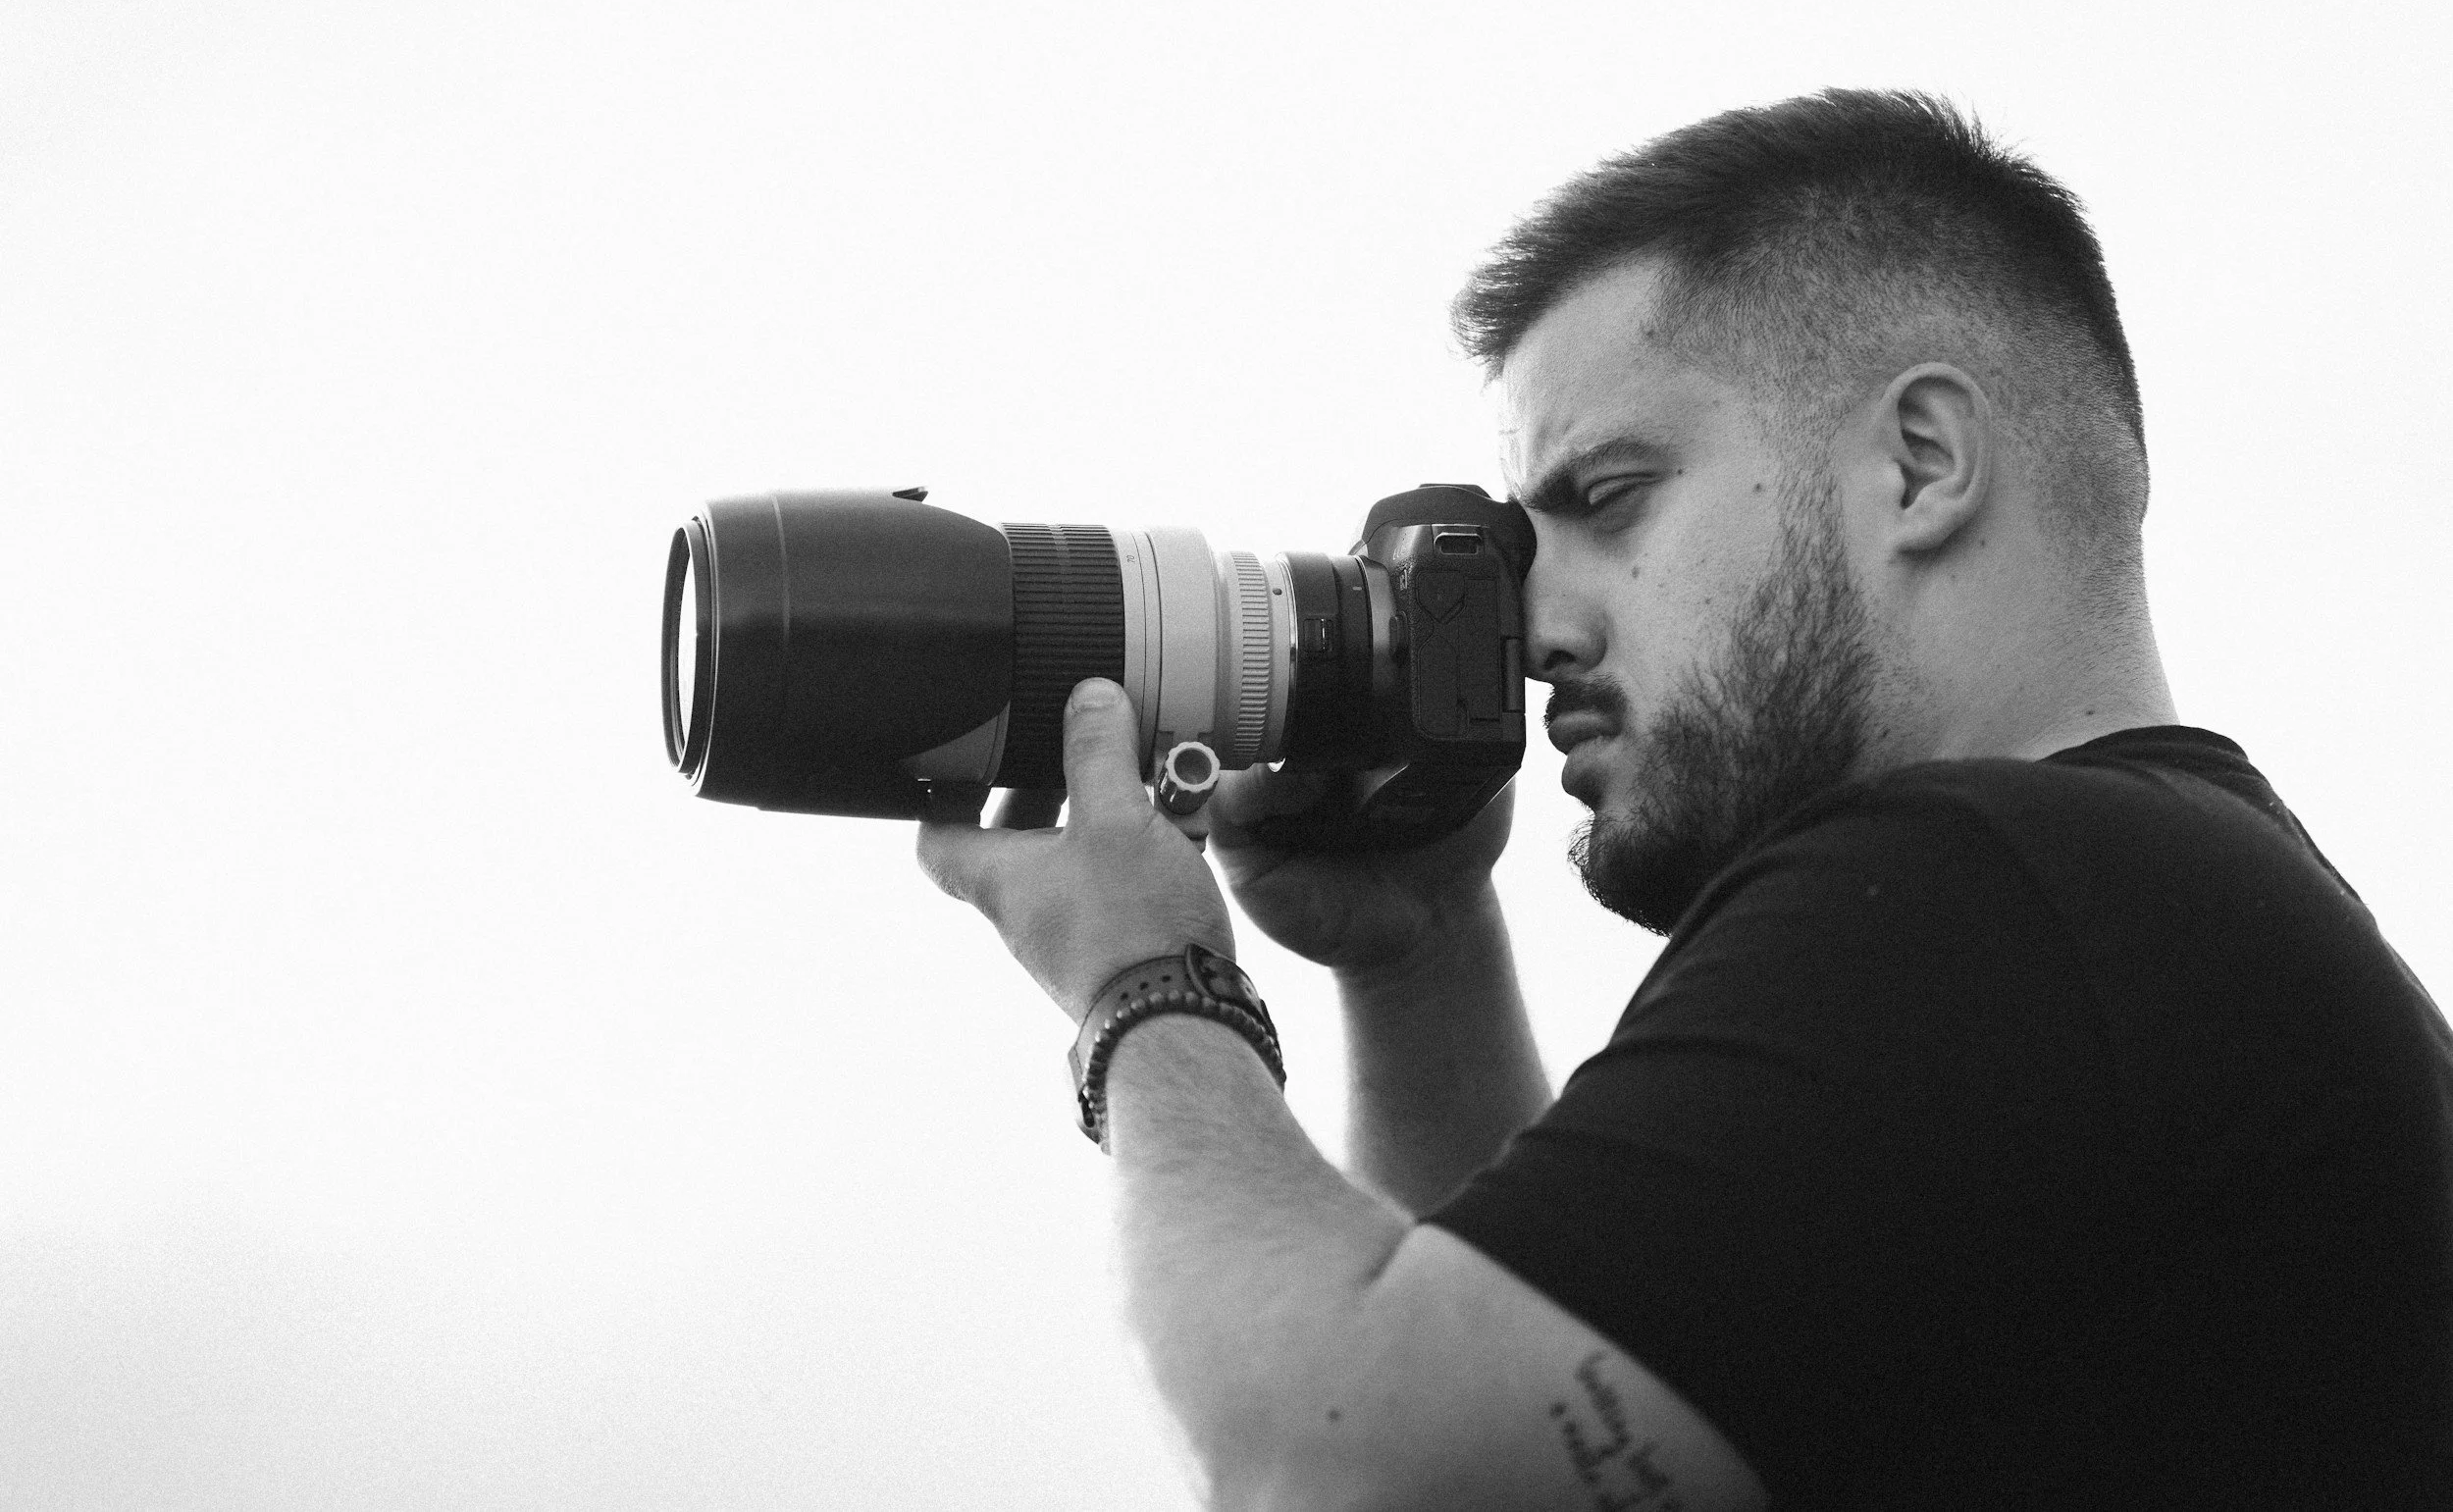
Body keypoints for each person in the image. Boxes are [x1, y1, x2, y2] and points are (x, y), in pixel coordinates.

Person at [916, 90, 2453, 1509]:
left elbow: (1351, 1468)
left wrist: (1148, 986)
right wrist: (1419, 958)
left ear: (1920, 463)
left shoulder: (1998, 882)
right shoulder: (2153, 924)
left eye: (1606, 499)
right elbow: (1560, 1435)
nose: (1532, 626)